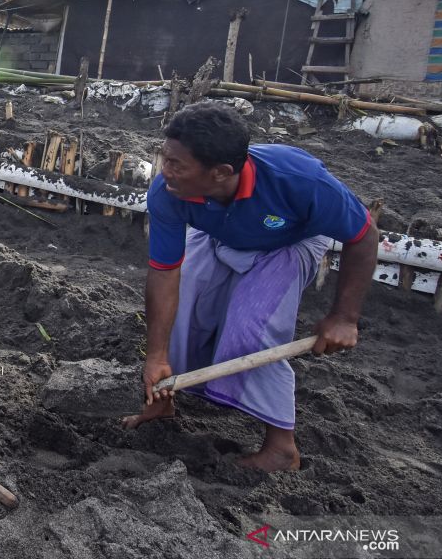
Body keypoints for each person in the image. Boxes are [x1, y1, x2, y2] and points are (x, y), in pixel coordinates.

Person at [123, 102, 379, 471]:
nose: (166, 171)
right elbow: (164, 272)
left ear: (221, 172)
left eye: (177, 164)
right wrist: (155, 356)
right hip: (218, 234)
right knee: (184, 299)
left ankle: (281, 448)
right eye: (166, 158)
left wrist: (344, 316)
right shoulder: (169, 191)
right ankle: (161, 403)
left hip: (291, 242)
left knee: (253, 326)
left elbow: (365, 234)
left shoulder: (298, 179)